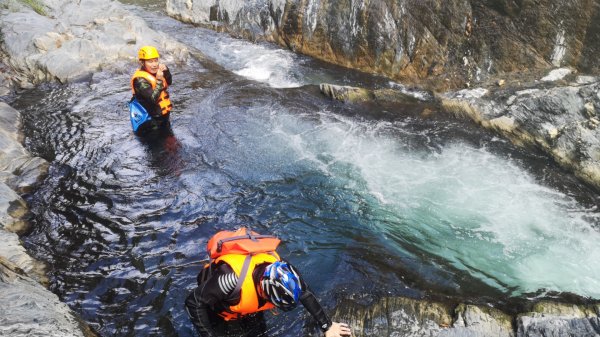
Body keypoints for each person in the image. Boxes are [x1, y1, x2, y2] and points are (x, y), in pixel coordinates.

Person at [185, 228, 352, 337]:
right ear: (264, 291)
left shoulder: (285, 271)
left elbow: (305, 292)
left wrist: (327, 326)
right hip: (221, 309)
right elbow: (193, 302)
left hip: (249, 306)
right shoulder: (230, 280)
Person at [130, 45, 172, 134]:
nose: (154, 64)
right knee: (160, 146)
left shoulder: (157, 72)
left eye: (156, 60)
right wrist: (159, 80)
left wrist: (166, 71)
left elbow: (169, 82)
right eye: (150, 61)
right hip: (150, 123)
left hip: (163, 118)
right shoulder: (140, 80)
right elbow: (153, 99)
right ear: (142, 63)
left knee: (174, 145)